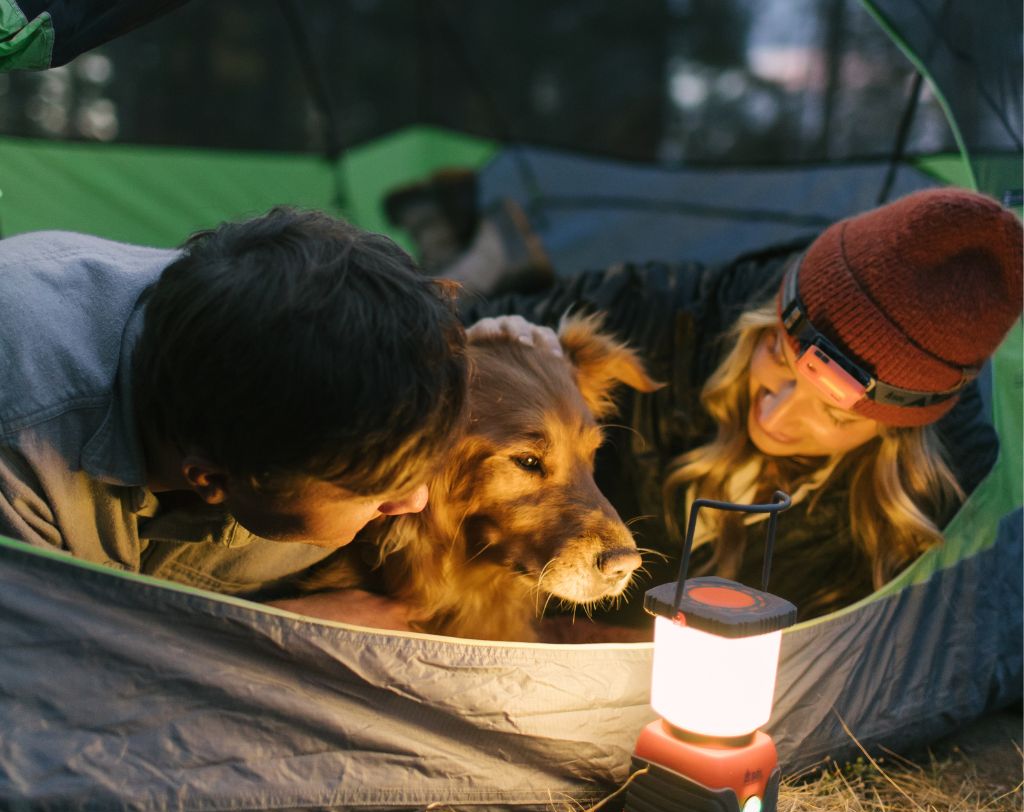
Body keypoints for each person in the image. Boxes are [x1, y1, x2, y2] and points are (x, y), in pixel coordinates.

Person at [462, 187, 1023, 622]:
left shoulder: (949, 502)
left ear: (893, 432)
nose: (776, 413)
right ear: (767, 318)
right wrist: (492, 338)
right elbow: (404, 346)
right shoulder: (668, 314)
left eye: (832, 413)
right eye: (777, 354)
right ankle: (486, 258)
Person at [0, 206, 468, 626]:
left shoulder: (302, 352)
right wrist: (283, 630)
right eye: (374, 491)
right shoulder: (24, 453)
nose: (415, 501)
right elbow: (48, 679)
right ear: (209, 480)